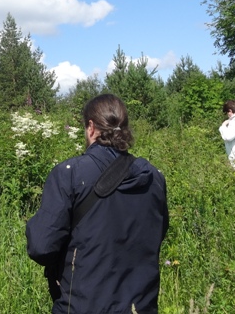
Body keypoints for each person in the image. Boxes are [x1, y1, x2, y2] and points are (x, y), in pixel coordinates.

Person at [25, 94, 169, 314]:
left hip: (82, 305)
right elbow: (158, 232)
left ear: (91, 128)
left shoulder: (70, 175)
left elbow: (41, 247)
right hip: (140, 306)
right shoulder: (153, 178)